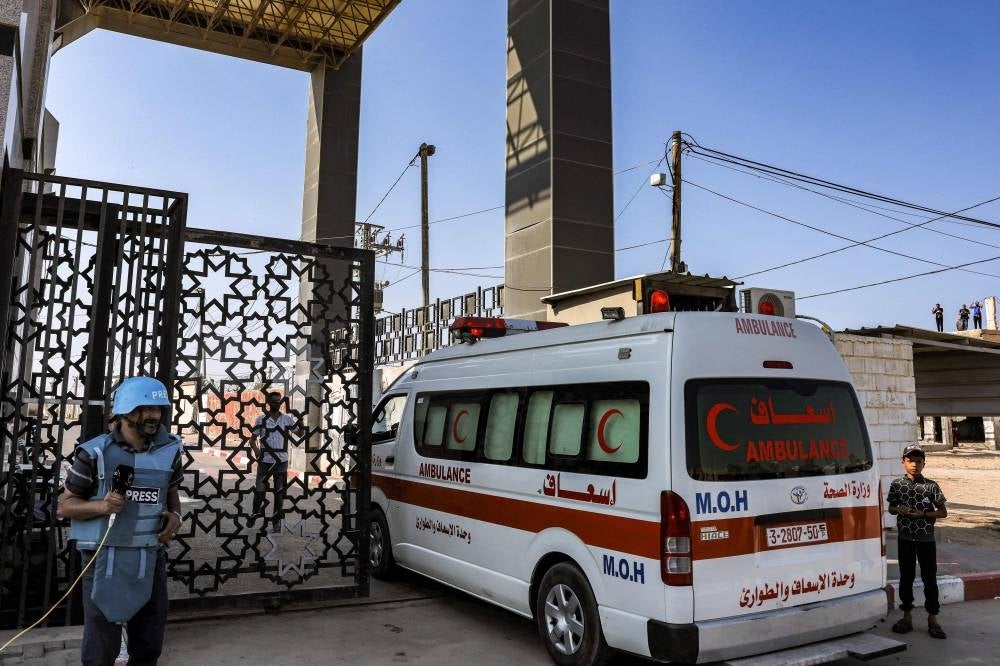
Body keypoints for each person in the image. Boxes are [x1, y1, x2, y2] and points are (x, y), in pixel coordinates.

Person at [58, 376, 183, 666]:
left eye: (158, 409)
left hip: (150, 556)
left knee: (149, 640)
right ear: (125, 410)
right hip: (103, 557)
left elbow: (172, 492)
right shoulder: (94, 453)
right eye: (145, 409)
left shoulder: (170, 451)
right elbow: (64, 506)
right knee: (101, 645)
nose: (154, 416)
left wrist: (175, 517)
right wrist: (102, 506)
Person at [887, 444, 948, 640]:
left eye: (918, 461)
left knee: (930, 579)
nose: (914, 464)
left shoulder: (931, 486)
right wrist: (899, 509)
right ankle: (907, 617)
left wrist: (923, 514)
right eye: (910, 460)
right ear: (903, 463)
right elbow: (891, 507)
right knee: (906, 577)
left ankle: (933, 619)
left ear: (924, 464)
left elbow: (943, 512)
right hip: (905, 539)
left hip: (926, 540)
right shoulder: (897, 485)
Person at [250, 391, 301, 532]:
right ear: (268, 402)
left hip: (281, 461)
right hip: (265, 461)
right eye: (274, 401)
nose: (277, 403)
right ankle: (255, 513)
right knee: (260, 490)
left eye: (279, 401)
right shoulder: (261, 419)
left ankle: (276, 521)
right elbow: (252, 440)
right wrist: (257, 451)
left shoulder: (287, 419)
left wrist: (300, 420)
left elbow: (300, 433)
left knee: (279, 493)